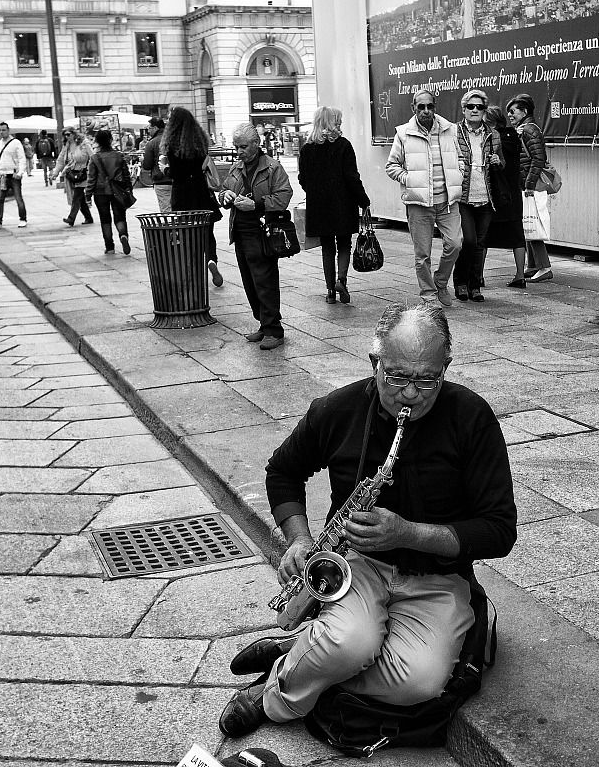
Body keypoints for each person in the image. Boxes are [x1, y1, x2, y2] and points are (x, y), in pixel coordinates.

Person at [217, 302, 517, 738]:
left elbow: (499, 530)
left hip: (438, 577)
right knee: (349, 644)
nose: (410, 394)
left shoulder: (472, 419)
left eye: (427, 380)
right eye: (396, 377)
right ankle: (273, 696)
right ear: (374, 361)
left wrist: (409, 533)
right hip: (357, 566)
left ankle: (303, 659)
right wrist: (298, 540)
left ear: (446, 367)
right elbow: (282, 471)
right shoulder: (337, 410)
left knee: (420, 684)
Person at [385, 90, 465, 307]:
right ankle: (428, 294)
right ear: (414, 108)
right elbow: (391, 166)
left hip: (447, 201)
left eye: (430, 106)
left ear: (435, 107)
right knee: (423, 255)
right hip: (419, 204)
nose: (426, 111)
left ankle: (440, 281)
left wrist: (460, 172)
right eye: (421, 107)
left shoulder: (450, 130)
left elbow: (460, 157)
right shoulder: (403, 133)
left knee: (455, 244)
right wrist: (409, 179)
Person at [218, 123, 292, 350]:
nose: (238, 151)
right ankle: (263, 323)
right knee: (250, 281)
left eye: (242, 147)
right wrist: (226, 196)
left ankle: (274, 329)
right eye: (236, 147)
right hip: (240, 231)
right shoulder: (236, 167)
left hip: (262, 231)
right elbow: (222, 192)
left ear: (256, 144)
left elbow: (284, 195)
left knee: (265, 280)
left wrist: (257, 204)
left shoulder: (272, 167)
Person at [298, 106, 371, 305]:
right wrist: (363, 200)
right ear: (333, 122)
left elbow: (303, 179)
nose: (340, 123)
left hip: (319, 206)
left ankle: (330, 291)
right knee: (344, 244)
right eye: (338, 120)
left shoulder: (307, 149)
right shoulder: (343, 145)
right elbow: (352, 177)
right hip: (343, 204)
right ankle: (341, 280)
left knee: (327, 247)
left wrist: (315, 193)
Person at [162, 106, 224, 286]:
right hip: (200, 191)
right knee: (207, 231)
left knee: (187, 233)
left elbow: (175, 173)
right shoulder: (200, 140)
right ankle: (211, 259)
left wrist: (166, 169)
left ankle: (194, 271)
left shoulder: (172, 144)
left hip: (182, 194)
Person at [453, 90, 503, 303]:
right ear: (464, 109)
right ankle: (460, 282)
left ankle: (475, 286)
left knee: (480, 244)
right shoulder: (453, 132)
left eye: (480, 107)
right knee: (469, 241)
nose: (475, 110)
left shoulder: (493, 134)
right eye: (471, 107)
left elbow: (503, 163)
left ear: (484, 110)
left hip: (486, 195)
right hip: (463, 196)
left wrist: (497, 162)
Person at [505, 94, 552, 283]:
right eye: (508, 111)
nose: (510, 114)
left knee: (533, 224)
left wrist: (529, 185)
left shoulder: (529, 130)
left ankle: (544, 267)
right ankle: (533, 265)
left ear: (524, 112)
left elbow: (538, 158)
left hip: (530, 186)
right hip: (526, 184)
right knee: (528, 224)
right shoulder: (523, 129)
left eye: (513, 111)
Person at [483, 106, 527, 287]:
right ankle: (520, 275)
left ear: (490, 122)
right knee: (517, 235)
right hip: (513, 194)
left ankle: (478, 275)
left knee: (483, 235)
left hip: (494, 194)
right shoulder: (514, 136)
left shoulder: (491, 139)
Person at [85, 128, 133, 255]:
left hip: (100, 192)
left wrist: (88, 194)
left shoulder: (95, 158)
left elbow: (91, 178)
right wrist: (129, 189)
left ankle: (110, 246)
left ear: (97, 142)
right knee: (120, 216)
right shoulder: (118, 155)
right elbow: (126, 174)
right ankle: (123, 235)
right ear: (111, 140)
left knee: (105, 219)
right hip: (117, 190)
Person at [0, 122, 27, 229]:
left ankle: (23, 218)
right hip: (3, 174)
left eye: (4, 130)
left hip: (13, 174)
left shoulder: (16, 143)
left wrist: (20, 172)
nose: (2, 132)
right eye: (0, 130)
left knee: (18, 197)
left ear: (8, 130)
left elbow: (22, 158)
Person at [52, 127, 94, 227]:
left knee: (77, 195)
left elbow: (93, 157)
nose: (67, 137)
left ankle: (71, 218)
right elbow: (61, 160)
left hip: (83, 173)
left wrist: (91, 170)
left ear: (74, 133)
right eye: (65, 135)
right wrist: (55, 172)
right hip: (71, 173)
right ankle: (88, 217)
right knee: (80, 198)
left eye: (68, 134)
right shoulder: (66, 145)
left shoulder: (84, 143)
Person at [140, 117, 172, 212]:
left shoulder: (152, 143)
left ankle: (170, 226)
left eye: (149, 128)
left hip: (161, 180)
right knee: (178, 209)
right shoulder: (173, 139)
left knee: (166, 210)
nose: (148, 131)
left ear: (155, 128)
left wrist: (143, 160)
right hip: (177, 179)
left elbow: (147, 165)